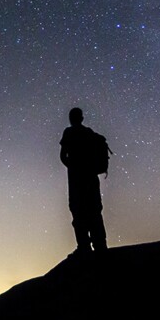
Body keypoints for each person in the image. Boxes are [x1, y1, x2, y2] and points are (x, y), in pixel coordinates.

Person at [59, 107, 107, 255]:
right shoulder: (90, 133)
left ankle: (84, 247)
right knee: (94, 211)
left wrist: (73, 167)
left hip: (77, 181)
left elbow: (62, 156)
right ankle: (100, 245)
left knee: (78, 211)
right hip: (91, 179)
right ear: (82, 118)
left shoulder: (69, 132)